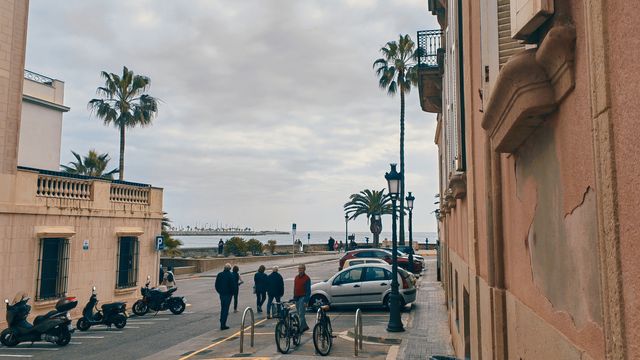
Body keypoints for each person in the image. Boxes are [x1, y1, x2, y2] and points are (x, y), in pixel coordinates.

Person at [215, 263, 234, 330]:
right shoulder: (231, 275)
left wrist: (219, 291)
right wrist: (232, 293)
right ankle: (223, 324)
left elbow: (216, 285)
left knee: (223, 308)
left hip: (222, 294)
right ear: (230, 268)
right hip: (228, 294)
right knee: (226, 309)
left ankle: (222, 320)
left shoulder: (219, 274)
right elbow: (233, 286)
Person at [293, 264, 311, 333]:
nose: (300, 270)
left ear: (304, 269)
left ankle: (300, 329)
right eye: (299, 269)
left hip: (303, 297)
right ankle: (305, 326)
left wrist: (306, 301)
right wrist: (294, 297)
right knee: (299, 313)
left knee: (301, 314)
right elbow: (295, 287)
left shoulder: (307, 278)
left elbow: (308, 290)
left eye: (301, 269)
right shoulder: (296, 277)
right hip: (297, 297)